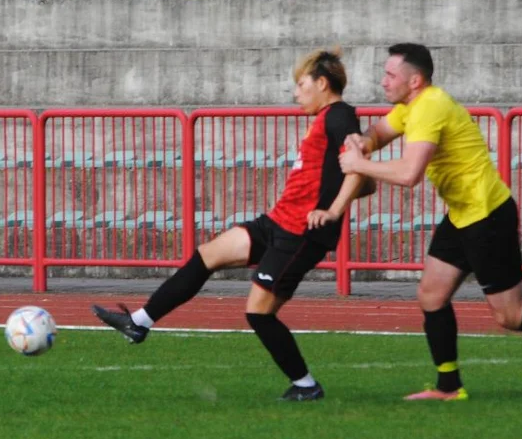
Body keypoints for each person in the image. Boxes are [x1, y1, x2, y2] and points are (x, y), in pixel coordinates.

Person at [339, 42, 522, 401]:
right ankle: (449, 387)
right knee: (431, 294)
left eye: (390, 74)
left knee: (511, 315)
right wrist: (362, 140)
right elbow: (380, 132)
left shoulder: (430, 106)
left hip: (487, 215)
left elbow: (409, 173)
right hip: (462, 214)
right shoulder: (410, 107)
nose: (383, 81)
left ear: (414, 80)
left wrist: (358, 164)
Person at [92, 49, 373, 401]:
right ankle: (139, 322)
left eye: (300, 85)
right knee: (208, 254)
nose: (295, 93)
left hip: (299, 235)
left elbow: (361, 166)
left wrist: (332, 211)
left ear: (321, 83)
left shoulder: (339, 116)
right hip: (277, 222)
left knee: (258, 312)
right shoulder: (324, 120)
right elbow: (365, 181)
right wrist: (335, 193)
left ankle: (306, 386)